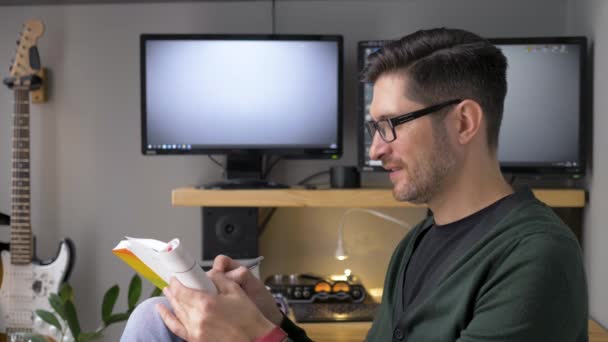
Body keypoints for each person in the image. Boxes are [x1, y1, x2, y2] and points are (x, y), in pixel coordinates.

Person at [121, 28, 588, 342]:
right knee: (153, 318)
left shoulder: (537, 257)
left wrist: (255, 338)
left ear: (464, 121)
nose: (374, 151)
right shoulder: (416, 243)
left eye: (391, 125)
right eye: (373, 129)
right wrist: (271, 319)